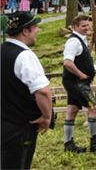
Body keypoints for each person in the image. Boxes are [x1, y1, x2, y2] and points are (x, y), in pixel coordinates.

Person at [1, 11, 53, 170]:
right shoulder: (24, 56)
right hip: (20, 126)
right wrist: (46, 116)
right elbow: (43, 91)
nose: (38, 30)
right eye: (35, 27)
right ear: (25, 31)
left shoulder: (2, 51)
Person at [61, 13, 96, 153]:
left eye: (88, 25)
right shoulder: (73, 42)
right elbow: (67, 63)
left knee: (72, 110)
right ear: (75, 27)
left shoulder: (81, 40)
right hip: (77, 82)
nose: (87, 28)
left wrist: (92, 42)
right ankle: (95, 142)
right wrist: (81, 75)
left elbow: (84, 55)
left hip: (76, 82)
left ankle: (68, 143)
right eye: (83, 26)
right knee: (94, 108)